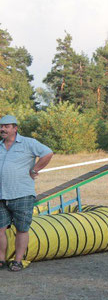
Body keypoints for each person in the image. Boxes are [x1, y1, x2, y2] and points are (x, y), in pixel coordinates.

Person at [0, 115, 53, 271]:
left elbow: (48, 153)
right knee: (0, 229)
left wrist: (35, 169)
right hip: (1, 194)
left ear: (15, 128)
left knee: (22, 228)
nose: (2, 129)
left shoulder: (28, 143)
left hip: (21, 193)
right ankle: (1, 259)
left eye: (6, 126)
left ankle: (17, 260)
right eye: (1, 126)